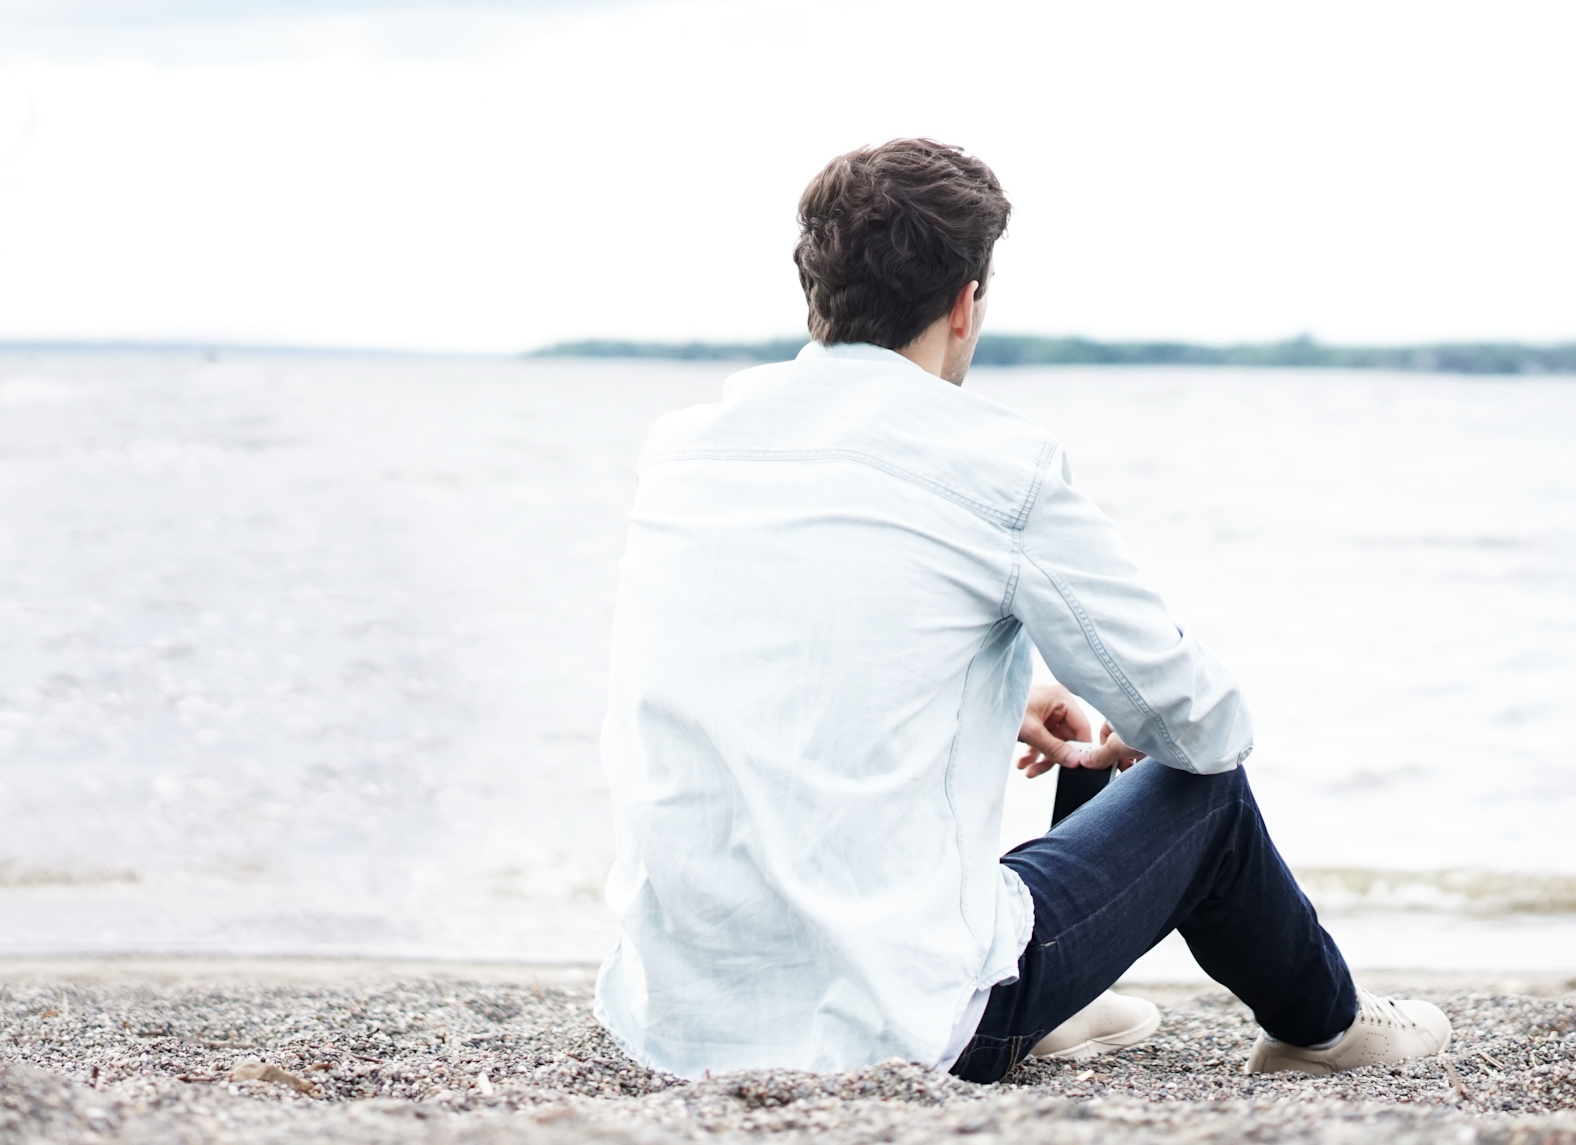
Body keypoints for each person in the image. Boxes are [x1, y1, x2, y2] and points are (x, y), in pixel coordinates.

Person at [594, 139, 1450, 1083]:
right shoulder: (995, 464)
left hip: (675, 1013)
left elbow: (764, 665)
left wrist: (999, 695)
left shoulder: (686, 449)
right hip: (905, 1022)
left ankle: (1066, 997)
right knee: (1206, 793)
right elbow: (1204, 723)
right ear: (966, 303)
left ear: (815, 290)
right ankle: (1324, 1028)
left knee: (1101, 739)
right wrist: (1141, 718)